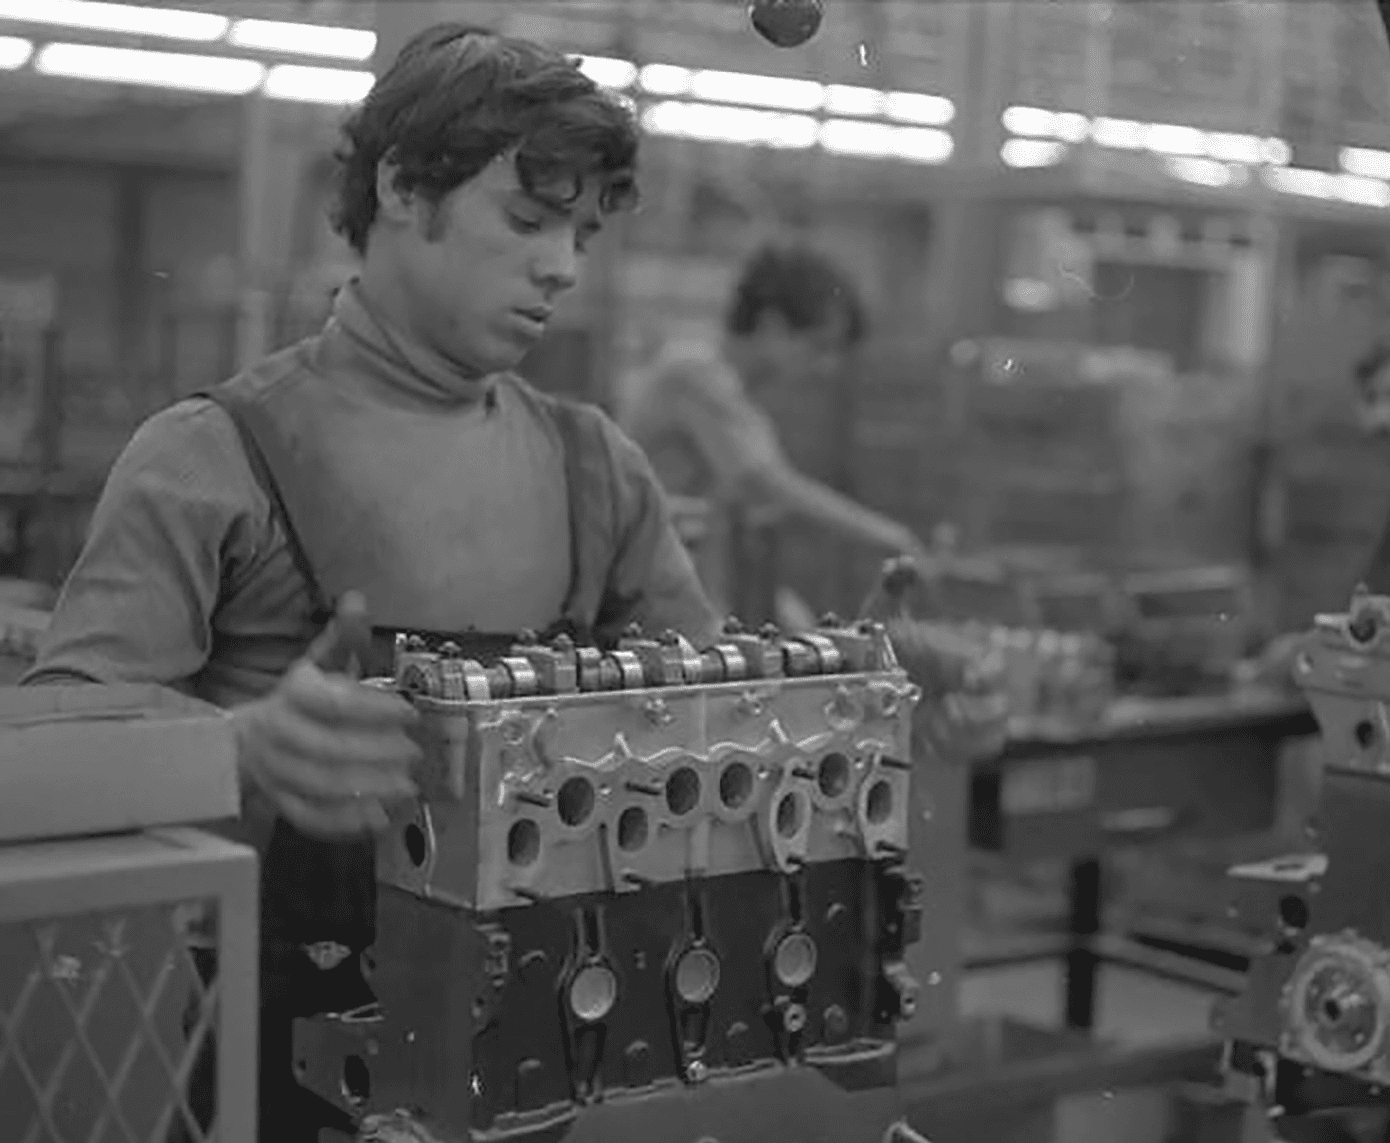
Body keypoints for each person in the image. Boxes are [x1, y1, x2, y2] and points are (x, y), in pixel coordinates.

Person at [23, 24, 719, 1139]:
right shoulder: (216, 456)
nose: (563, 266)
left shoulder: (596, 470)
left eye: (582, 233)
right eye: (527, 220)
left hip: (537, 1048)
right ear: (402, 188)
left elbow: (719, 719)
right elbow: (46, 765)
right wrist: (237, 748)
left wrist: (893, 701)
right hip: (263, 1063)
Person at [620, 241, 935, 624]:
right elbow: (767, 482)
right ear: (771, 325)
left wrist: (784, 611)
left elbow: (726, 529)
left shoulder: (735, 399)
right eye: (818, 346)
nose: (827, 367)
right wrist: (890, 536)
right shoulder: (694, 375)